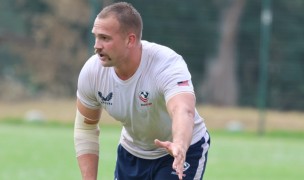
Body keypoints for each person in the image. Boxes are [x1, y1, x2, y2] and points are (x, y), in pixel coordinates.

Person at [74, 2, 210, 180]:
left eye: (105, 38)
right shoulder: (93, 71)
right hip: (132, 153)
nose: (97, 46)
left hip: (180, 151)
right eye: (96, 37)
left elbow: (183, 110)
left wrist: (180, 144)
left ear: (130, 40)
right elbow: (86, 127)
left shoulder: (166, 64)